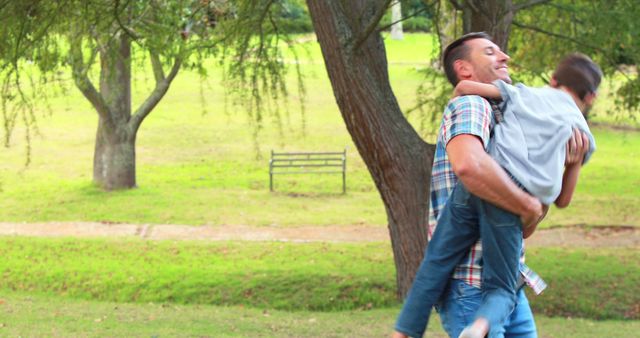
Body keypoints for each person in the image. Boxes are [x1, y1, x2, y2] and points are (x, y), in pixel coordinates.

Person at [392, 32, 592, 338]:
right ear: (464, 68)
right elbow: (469, 166)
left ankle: (404, 331)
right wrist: (529, 203)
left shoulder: (517, 107)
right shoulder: (474, 105)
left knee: (435, 263)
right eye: (489, 52)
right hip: (472, 284)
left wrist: (537, 198)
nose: (504, 57)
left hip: (507, 278)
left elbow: (527, 225)